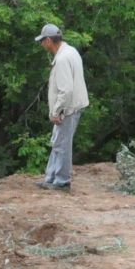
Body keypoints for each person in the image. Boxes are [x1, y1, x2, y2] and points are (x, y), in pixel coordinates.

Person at [36, 24, 89, 190]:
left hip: (68, 109)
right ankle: (52, 178)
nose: (42, 44)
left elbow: (65, 91)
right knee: (57, 142)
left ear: (49, 40)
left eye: (42, 40)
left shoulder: (62, 59)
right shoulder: (71, 51)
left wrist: (56, 111)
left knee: (63, 144)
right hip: (72, 106)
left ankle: (62, 181)